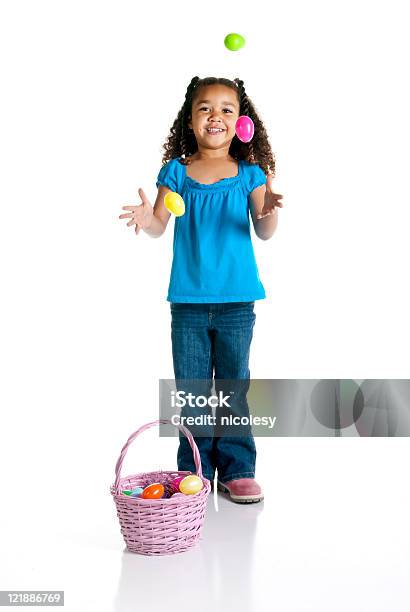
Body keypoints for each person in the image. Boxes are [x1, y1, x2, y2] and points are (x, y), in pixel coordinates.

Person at [119, 76, 284, 503]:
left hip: (236, 303)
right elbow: (158, 225)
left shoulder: (250, 173)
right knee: (191, 391)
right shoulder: (176, 171)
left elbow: (265, 230)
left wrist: (267, 211)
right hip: (189, 304)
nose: (216, 116)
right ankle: (193, 471)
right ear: (190, 120)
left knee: (232, 388)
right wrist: (145, 217)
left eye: (227, 108)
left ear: (240, 122)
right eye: (205, 108)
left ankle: (237, 468)